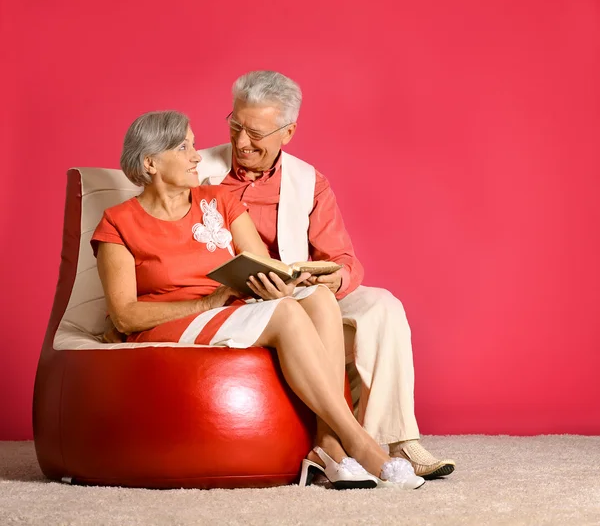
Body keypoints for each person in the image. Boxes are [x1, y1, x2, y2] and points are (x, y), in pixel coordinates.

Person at [92, 110, 425, 490]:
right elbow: (123, 315)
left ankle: (326, 444)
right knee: (285, 315)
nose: (197, 156)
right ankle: (359, 443)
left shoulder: (218, 200)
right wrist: (207, 303)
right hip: (170, 321)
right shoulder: (117, 222)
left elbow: (259, 264)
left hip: (230, 311)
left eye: (194, 145)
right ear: (150, 162)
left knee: (316, 298)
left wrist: (276, 284)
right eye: (183, 147)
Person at [197, 71, 455, 479]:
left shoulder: (309, 181)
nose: (242, 142)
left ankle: (401, 439)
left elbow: (342, 259)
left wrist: (334, 279)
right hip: (237, 296)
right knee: (313, 307)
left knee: (383, 305)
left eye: (256, 133)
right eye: (235, 126)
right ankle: (343, 444)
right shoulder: (198, 170)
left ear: (288, 132)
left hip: (301, 291)